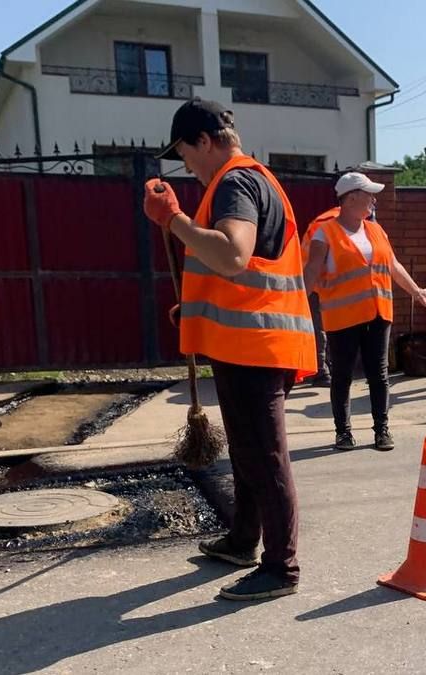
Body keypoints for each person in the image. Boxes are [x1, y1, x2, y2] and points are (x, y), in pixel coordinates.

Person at [144, 98, 316, 601]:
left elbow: (233, 254)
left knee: (264, 455)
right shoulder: (253, 178)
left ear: (204, 140)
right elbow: (238, 271)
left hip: (255, 346)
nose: (187, 169)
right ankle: (244, 540)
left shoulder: (236, 183)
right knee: (247, 450)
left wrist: (172, 218)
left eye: (185, 155)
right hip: (252, 340)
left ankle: (281, 568)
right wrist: (195, 307)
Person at [303, 172, 426, 451]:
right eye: (369, 195)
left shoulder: (376, 230)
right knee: (342, 375)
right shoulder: (324, 233)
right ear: (351, 198)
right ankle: (343, 433)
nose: (374, 200)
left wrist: (416, 293)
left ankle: (382, 430)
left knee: (378, 373)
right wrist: (294, 306)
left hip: (378, 313)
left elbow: (393, 265)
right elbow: (311, 272)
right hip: (342, 318)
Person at [302, 206, 339, 387]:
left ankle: (324, 367)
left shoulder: (342, 220)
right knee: (319, 328)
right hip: (315, 283)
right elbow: (318, 259)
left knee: (325, 326)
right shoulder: (328, 223)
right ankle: (320, 371)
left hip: (321, 281)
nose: (373, 202)